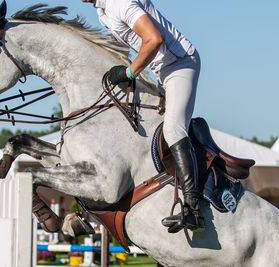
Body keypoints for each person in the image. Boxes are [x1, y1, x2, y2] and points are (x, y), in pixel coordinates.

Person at [82, 0, 204, 233]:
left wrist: (129, 72)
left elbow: (154, 39)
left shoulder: (119, 3)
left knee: (173, 130)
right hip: (162, 69)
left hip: (180, 64)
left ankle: (193, 209)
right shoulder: (103, 11)